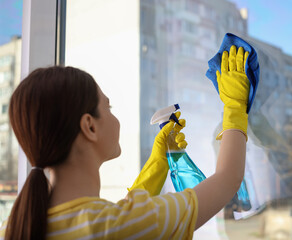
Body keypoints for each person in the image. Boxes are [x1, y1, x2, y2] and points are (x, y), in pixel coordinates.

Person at [0, 45, 249, 240]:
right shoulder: (116, 227)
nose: (114, 116)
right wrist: (235, 106)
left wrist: (158, 163)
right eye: (108, 106)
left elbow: (123, 218)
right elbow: (227, 180)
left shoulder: (14, 227)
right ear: (90, 126)